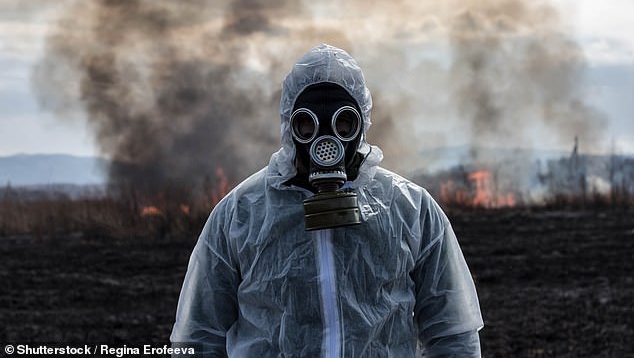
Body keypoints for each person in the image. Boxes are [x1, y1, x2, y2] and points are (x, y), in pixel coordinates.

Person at [170, 44, 484, 357]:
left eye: (343, 121)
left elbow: (452, 333)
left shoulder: (410, 209)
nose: (326, 137)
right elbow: (199, 336)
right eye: (307, 123)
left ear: (362, 123)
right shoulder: (241, 213)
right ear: (289, 125)